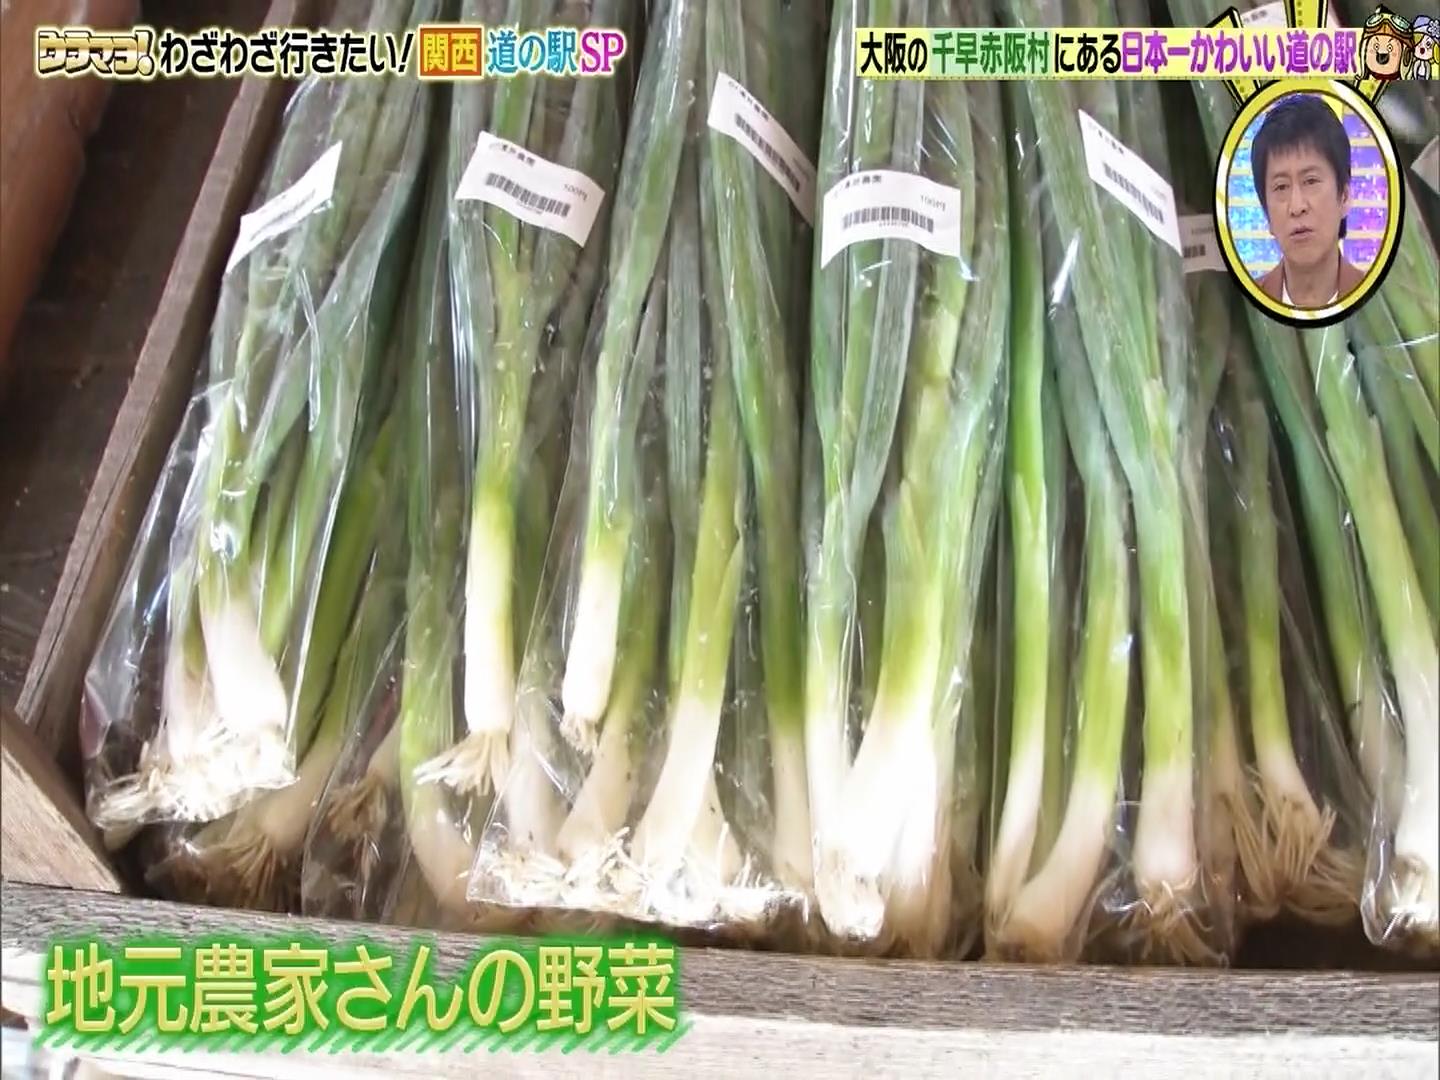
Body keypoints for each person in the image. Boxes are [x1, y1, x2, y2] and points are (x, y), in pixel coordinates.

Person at [1248, 94, 1366, 309]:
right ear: (1266, 213)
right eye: (1281, 187)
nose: (1297, 207)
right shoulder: (1248, 304)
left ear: (1345, 196)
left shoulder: (1375, 298)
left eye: (1311, 181)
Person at [1414, 15, 1437, 80]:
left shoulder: (1428, 65)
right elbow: (1414, 71)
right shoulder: (1416, 63)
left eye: (1428, 44)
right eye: (1419, 43)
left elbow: (1428, 74)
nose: (1422, 48)